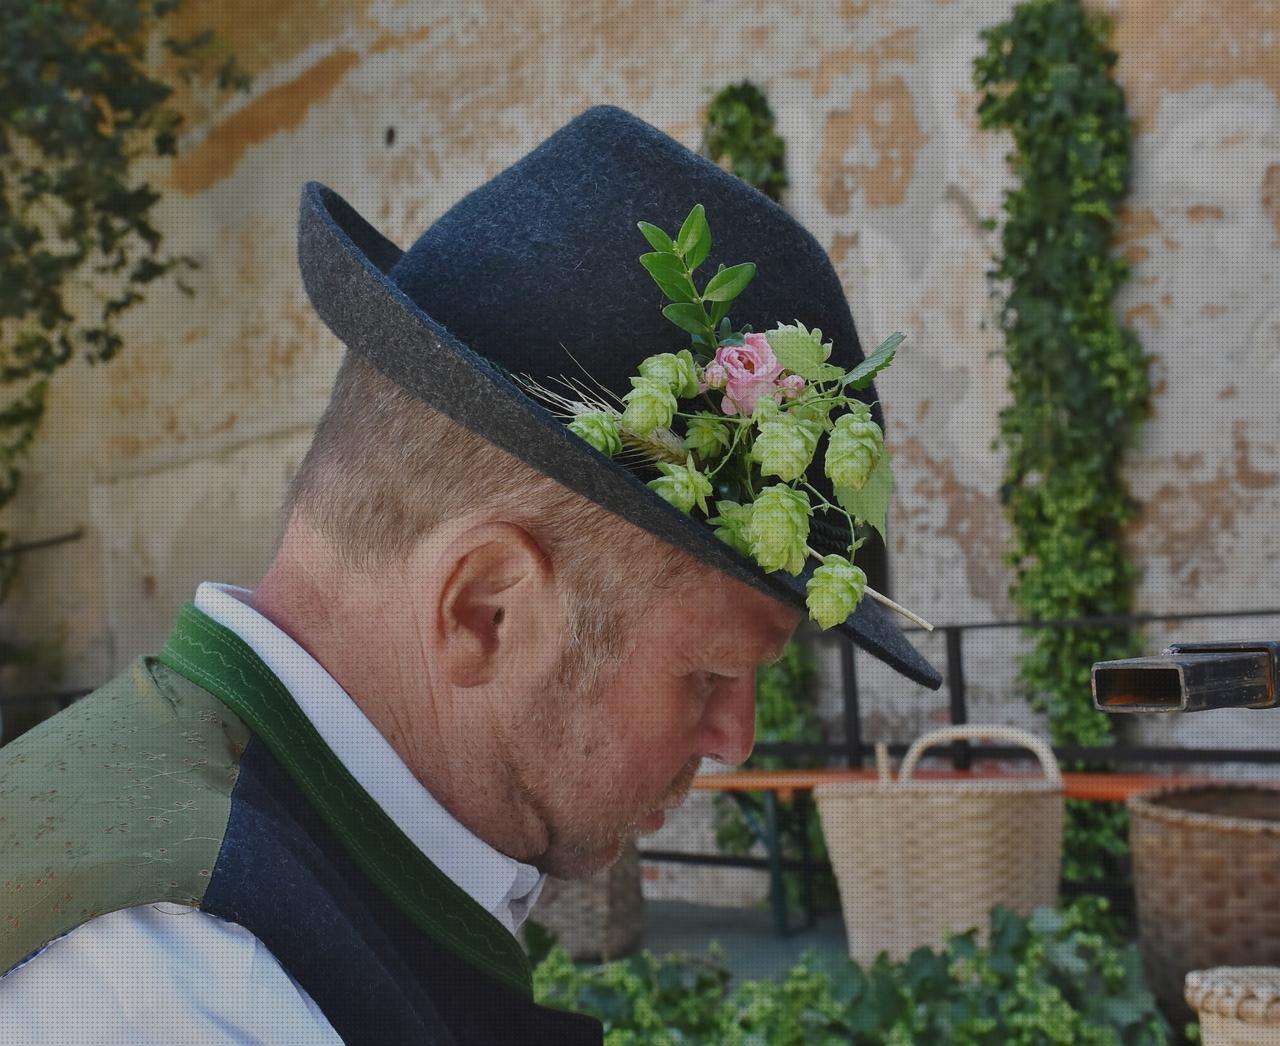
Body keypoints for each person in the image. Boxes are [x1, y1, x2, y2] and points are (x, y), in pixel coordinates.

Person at [0, 105, 940, 1044]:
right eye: (712, 674)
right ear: (485, 608)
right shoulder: (174, 982)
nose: (734, 738)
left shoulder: (268, 868)